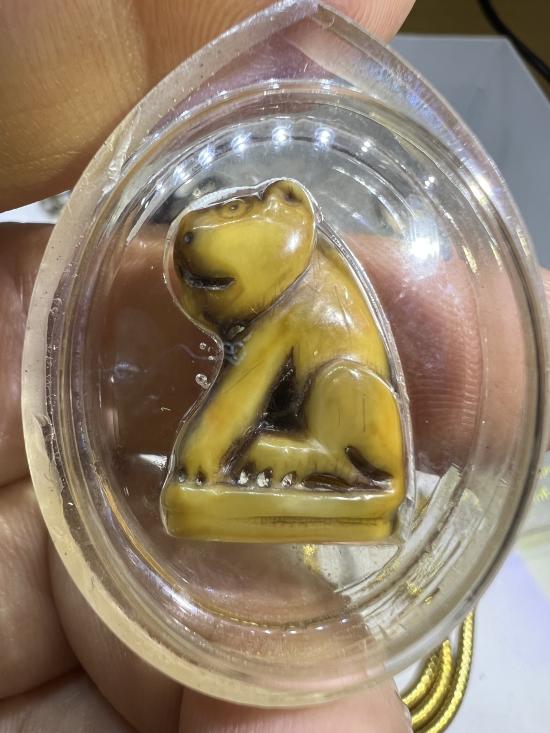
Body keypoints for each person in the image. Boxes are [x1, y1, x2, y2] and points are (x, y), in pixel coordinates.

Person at [0, 2, 547, 731]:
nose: (200, 259)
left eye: (231, 225)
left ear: (291, 211)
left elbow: (240, 391)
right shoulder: (281, 291)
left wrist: (200, 465)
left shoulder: (300, 287)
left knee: (343, 389)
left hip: (359, 427)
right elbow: (244, 381)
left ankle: (335, 463)